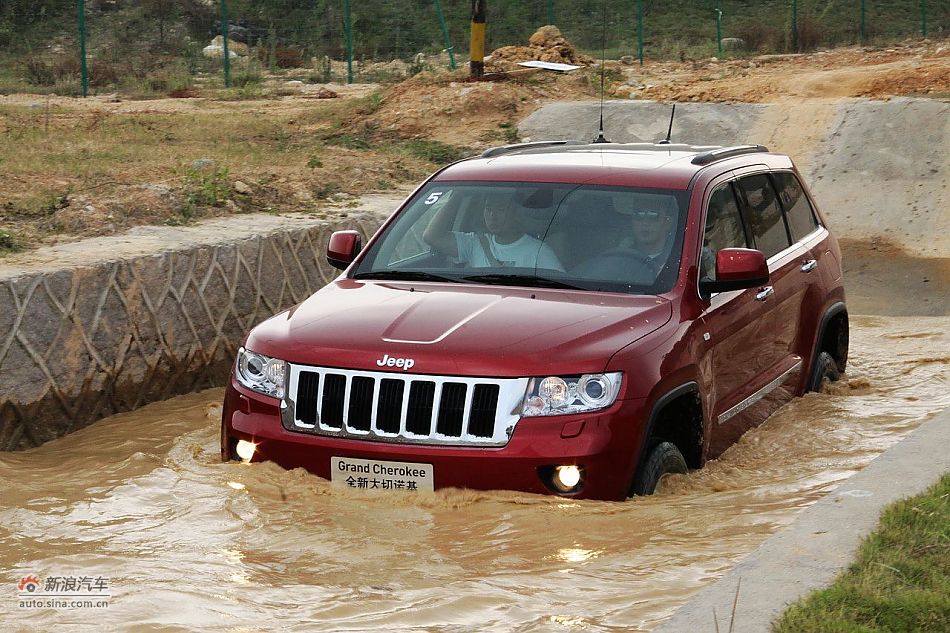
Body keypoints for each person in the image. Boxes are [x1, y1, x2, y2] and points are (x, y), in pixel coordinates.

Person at [422, 191, 563, 270]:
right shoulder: (475, 243)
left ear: (516, 213)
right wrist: (459, 194)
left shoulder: (539, 252)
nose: (492, 216)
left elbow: (560, 294)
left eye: (501, 209)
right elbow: (431, 237)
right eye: (488, 208)